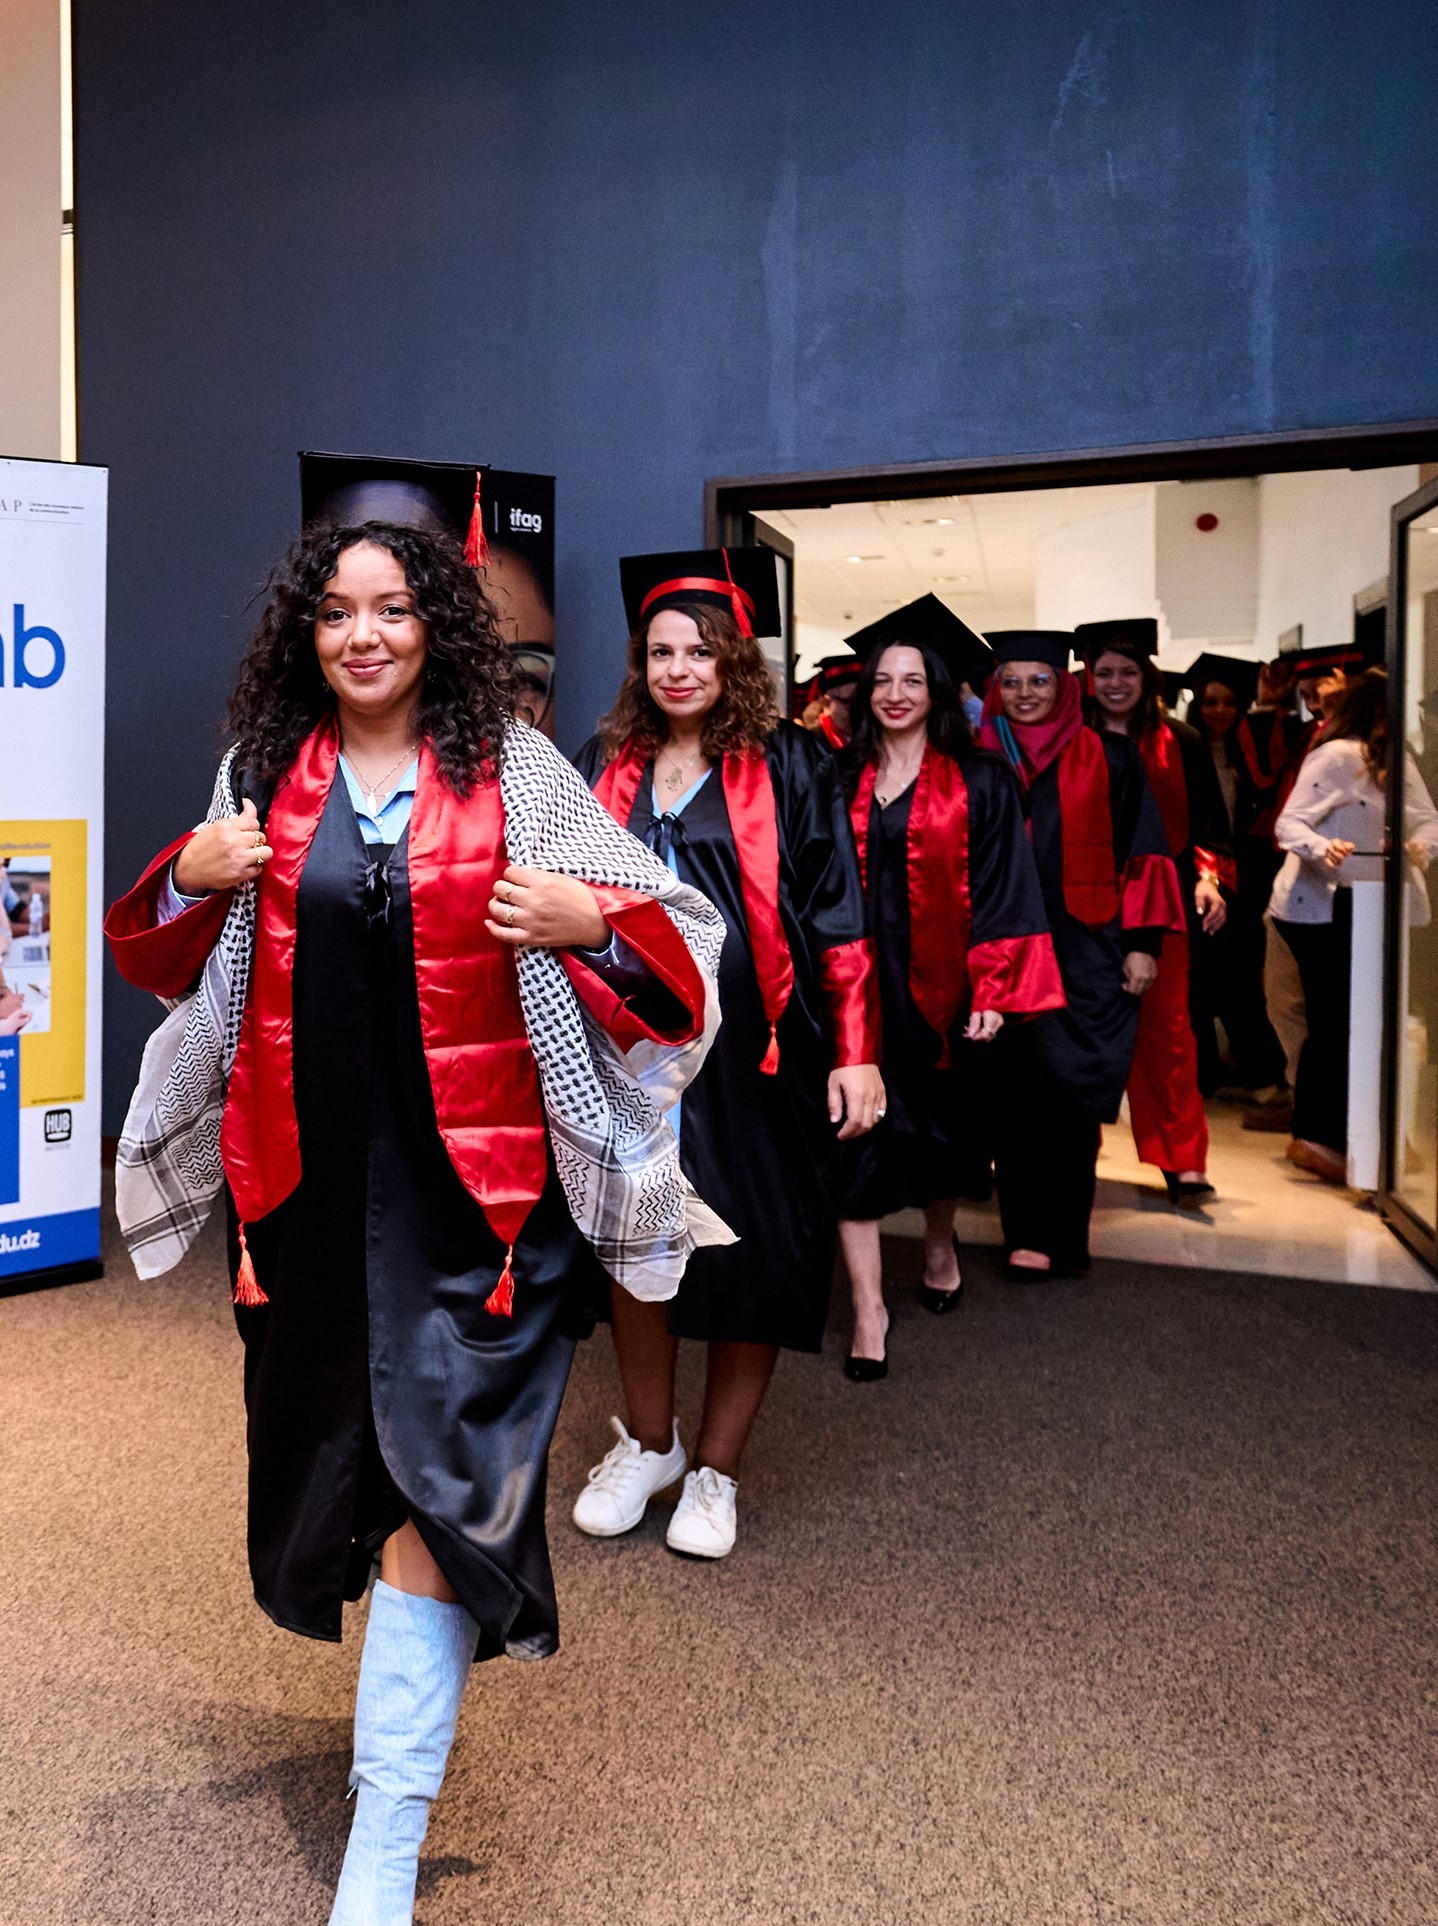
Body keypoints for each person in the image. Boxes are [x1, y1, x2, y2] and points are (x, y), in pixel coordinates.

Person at [105, 515, 719, 1926]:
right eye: (334, 612)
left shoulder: (514, 768)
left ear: (438, 624)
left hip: (479, 1207)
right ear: (303, 634)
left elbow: (671, 938)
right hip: (309, 1196)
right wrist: (189, 879)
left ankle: (384, 1842)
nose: (363, 634)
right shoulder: (262, 772)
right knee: (360, 1476)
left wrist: (585, 917)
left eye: (391, 608)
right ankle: (391, 1779)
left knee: (444, 1499)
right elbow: (173, 957)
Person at [573, 547, 883, 1556]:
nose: (676, 669)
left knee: (749, 1248)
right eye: (659, 652)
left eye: (697, 652)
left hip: (753, 1059)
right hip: (626, 1056)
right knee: (636, 1245)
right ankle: (650, 1443)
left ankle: (715, 1472)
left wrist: (855, 1049)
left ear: (732, 661)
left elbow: (837, 914)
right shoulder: (604, 760)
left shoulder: (792, 762)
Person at [835, 598, 1063, 1377]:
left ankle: (937, 1242)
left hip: (948, 991)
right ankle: (868, 1310)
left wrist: (996, 988)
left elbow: (1007, 887)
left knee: (941, 1136)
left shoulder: (982, 781)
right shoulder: (837, 776)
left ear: (936, 689)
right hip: (857, 989)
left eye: (912, 679)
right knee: (853, 1142)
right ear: (866, 691)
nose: (895, 693)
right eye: (882, 680)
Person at [979, 631, 1183, 1276]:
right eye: (1010, 681)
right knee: (1012, 1096)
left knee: (1071, 1092)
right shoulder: (976, 759)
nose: (1024, 694)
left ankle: (1064, 1233)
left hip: (1086, 948)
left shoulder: (1111, 755)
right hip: (1001, 947)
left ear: (1065, 686)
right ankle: (1023, 1235)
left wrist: (1142, 945)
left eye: (1038, 681)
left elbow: (1144, 850)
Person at [1077, 619, 1230, 1202]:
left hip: (1160, 898)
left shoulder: (1180, 741)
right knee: (1081, 1029)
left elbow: (1209, 825)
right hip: (1083, 897)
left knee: (1167, 1031)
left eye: (1128, 672)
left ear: (1148, 676)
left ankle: (1182, 1157)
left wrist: (1210, 878)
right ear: (1088, 679)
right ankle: (1075, 1150)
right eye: (1104, 672)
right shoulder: (1070, 737)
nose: (1116, 683)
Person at [1270, 667, 1438, 1182]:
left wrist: (1418, 848)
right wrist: (1325, 847)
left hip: (1375, 902)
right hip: (1323, 905)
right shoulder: (1338, 755)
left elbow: (1428, 819)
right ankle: (1319, 1133)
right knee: (1334, 1019)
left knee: (1368, 1021)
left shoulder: (1396, 761)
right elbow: (1289, 823)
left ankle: (1363, 1128)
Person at [1183, 654, 1289, 1103]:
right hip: (1196, 874)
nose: (1219, 711)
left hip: (1248, 879)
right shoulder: (1182, 748)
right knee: (1198, 979)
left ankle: (1258, 1073)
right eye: (1210, 702)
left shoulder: (1252, 752)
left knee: (1242, 978)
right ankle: (1201, 1073)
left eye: (1228, 702)